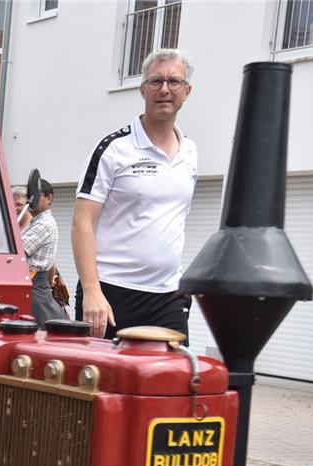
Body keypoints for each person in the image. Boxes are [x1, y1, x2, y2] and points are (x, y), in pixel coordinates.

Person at [72, 48, 197, 340]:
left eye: (174, 82)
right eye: (156, 82)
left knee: (174, 382)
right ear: (143, 89)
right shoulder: (114, 149)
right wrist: (92, 292)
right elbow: (82, 223)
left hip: (167, 297)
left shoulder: (190, 152)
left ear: (187, 91)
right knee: (103, 384)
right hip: (111, 295)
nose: (164, 89)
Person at [20, 177, 67, 324]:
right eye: (28, 196)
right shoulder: (38, 223)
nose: (30, 200)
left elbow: (18, 253)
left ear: (49, 198)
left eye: (35, 195)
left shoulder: (43, 225)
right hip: (35, 284)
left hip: (34, 286)